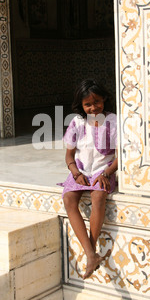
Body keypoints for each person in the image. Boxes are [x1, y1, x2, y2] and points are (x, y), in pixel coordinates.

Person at [58, 79, 118, 280]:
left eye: (97, 102)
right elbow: (69, 156)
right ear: (81, 105)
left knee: (99, 197)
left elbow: (120, 157)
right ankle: (92, 254)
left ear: (105, 100)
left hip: (104, 170)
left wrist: (106, 174)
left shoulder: (113, 121)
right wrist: (76, 173)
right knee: (69, 200)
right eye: (88, 104)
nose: (94, 107)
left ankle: (90, 254)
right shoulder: (77, 122)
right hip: (81, 170)